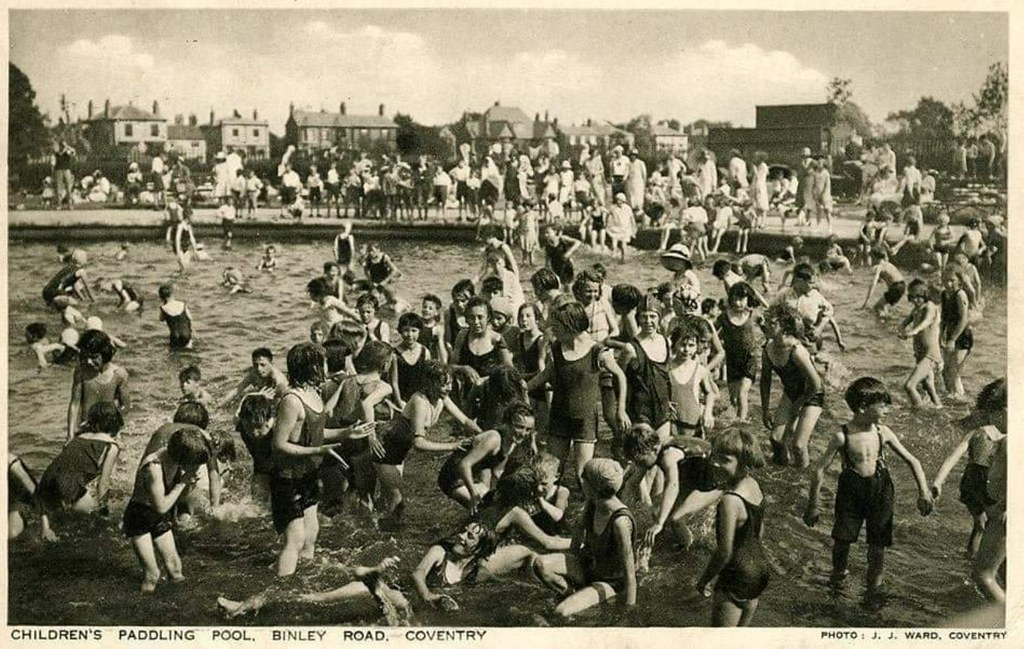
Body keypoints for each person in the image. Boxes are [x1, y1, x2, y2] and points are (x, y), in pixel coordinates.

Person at [804, 377, 933, 605]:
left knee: (877, 546)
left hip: (881, 490)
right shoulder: (842, 435)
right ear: (863, 408)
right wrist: (813, 504)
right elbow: (819, 470)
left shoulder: (883, 432)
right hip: (851, 492)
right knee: (842, 541)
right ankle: (838, 578)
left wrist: (923, 492)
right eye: (882, 404)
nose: (887, 408)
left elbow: (913, 461)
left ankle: (874, 588)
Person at [527, 302, 629, 485]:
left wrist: (620, 410)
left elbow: (620, 375)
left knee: (583, 475)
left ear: (570, 326)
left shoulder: (597, 351)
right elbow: (545, 375)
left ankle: (587, 510)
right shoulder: (558, 349)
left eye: (557, 326)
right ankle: (553, 509)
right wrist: (523, 388)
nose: (553, 330)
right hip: (559, 416)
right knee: (550, 471)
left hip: (584, 420)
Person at [370, 361, 478, 523]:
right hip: (386, 455)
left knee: (385, 503)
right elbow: (419, 443)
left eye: (449, 383)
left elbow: (464, 420)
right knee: (398, 504)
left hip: (399, 455)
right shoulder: (419, 401)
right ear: (430, 384)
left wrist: (487, 435)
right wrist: (453, 445)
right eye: (443, 385)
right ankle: (387, 536)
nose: (448, 388)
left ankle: (372, 526)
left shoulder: (442, 398)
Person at [270, 344, 343, 577]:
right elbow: (279, 444)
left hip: (308, 473)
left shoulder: (315, 393)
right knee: (296, 538)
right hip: (287, 477)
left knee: (311, 534)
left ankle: (304, 580)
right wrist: (318, 451)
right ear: (308, 367)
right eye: (320, 363)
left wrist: (348, 432)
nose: (324, 367)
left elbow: (316, 434)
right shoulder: (291, 400)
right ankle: (282, 588)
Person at [531, 458, 637, 618]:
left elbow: (629, 573)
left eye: (584, 479)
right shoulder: (592, 503)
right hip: (587, 566)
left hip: (610, 581)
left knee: (561, 612)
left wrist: (629, 611)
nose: (582, 483)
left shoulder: (620, 521)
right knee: (540, 564)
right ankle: (571, 593)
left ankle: (579, 601)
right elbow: (578, 534)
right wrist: (570, 568)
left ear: (593, 487)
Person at [694, 428, 769, 626]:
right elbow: (759, 532)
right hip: (759, 572)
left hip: (737, 576)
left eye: (725, 460)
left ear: (744, 465)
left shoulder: (730, 500)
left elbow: (724, 551)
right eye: (714, 456)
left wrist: (703, 581)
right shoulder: (754, 485)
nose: (716, 463)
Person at [123, 424, 210, 592]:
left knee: (176, 568)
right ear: (182, 458)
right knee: (152, 574)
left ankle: (179, 608)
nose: (195, 468)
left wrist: (189, 485)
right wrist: (183, 481)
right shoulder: (154, 467)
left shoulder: (175, 459)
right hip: (139, 516)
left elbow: (178, 499)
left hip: (158, 516)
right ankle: (140, 611)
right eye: (193, 464)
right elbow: (161, 506)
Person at [931, 378, 1005, 559]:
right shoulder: (980, 433)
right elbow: (953, 457)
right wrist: (938, 482)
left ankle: (975, 562)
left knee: (981, 525)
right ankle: (982, 566)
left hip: (983, 483)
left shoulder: (1006, 436)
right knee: (986, 525)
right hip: (979, 484)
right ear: (994, 413)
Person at [218, 556, 410, 624]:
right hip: (396, 594)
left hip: (393, 593)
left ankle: (243, 607)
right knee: (315, 598)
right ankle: (242, 607)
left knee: (315, 598)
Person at [621, 424, 718, 554]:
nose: (638, 465)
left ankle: (690, 554)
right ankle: (683, 545)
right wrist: (620, 513)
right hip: (694, 475)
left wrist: (659, 523)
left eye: (640, 461)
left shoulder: (668, 455)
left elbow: (673, 485)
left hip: (716, 482)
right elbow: (632, 484)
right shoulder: (651, 450)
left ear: (654, 449)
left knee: (675, 519)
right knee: (660, 513)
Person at [36, 402, 122, 541]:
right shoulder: (111, 446)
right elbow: (103, 483)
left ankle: (46, 528)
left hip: (47, 479)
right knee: (95, 520)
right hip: (68, 484)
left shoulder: (79, 437)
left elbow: (64, 468)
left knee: (63, 514)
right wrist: (104, 510)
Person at [413, 520, 535, 612]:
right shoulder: (439, 552)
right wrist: (427, 595)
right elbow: (418, 573)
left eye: (470, 536)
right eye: (464, 531)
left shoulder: (477, 573)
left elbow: (505, 585)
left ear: (478, 550)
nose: (461, 536)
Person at [437, 401, 536, 511]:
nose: (523, 433)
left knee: (500, 506)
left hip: (472, 476)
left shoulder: (511, 442)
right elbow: (464, 464)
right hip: (454, 477)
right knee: (486, 508)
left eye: (528, 429)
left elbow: (498, 472)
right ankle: (473, 525)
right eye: (519, 427)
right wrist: (473, 493)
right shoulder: (494, 438)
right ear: (507, 423)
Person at [759, 303, 822, 468]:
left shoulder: (797, 351)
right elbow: (765, 380)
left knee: (798, 445)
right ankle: (783, 470)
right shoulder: (768, 349)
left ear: (785, 326)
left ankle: (802, 477)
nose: (766, 325)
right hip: (792, 392)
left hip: (812, 395)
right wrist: (765, 410)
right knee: (776, 439)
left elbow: (816, 384)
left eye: (771, 323)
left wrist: (798, 405)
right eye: (766, 321)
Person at [66, 330, 129, 441]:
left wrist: (114, 426)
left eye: (94, 357)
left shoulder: (119, 374)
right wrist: (70, 434)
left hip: (109, 431)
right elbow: (75, 404)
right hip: (86, 428)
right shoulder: (81, 372)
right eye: (85, 357)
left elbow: (125, 406)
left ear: (105, 353)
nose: (89, 361)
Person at [717, 283, 764, 422]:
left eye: (742, 299)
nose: (738, 303)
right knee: (733, 397)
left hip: (749, 360)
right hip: (732, 360)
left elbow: (769, 332)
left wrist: (764, 344)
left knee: (743, 393)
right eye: (735, 299)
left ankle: (742, 422)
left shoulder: (754, 315)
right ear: (730, 299)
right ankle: (731, 421)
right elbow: (711, 333)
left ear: (748, 299)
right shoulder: (724, 318)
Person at [897, 280, 943, 409]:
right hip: (920, 353)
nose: (915, 300)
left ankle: (919, 411)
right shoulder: (915, 310)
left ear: (925, 294)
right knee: (929, 386)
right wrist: (901, 332)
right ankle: (939, 409)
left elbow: (926, 322)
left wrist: (913, 331)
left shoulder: (930, 306)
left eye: (918, 296)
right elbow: (902, 324)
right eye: (912, 297)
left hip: (930, 354)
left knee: (909, 386)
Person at [667, 318, 717, 436]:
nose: (686, 349)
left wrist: (708, 412)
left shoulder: (700, 370)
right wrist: (665, 404)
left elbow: (710, 393)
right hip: (672, 421)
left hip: (693, 422)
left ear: (696, 347)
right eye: (682, 345)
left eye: (691, 345)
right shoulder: (667, 368)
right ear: (675, 344)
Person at [217, 347, 289, 409]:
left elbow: (283, 402)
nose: (259, 369)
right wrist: (220, 405)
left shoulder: (278, 381)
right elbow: (237, 389)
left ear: (271, 364)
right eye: (255, 365)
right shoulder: (254, 374)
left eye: (262, 365)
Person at [236, 394, 276, 505]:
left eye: (259, 427)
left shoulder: (277, 430)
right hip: (261, 467)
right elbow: (237, 416)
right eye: (249, 426)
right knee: (257, 506)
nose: (254, 432)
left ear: (269, 421)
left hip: (281, 469)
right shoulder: (241, 425)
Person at [939, 269, 972, 399]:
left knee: (954, 371)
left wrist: (952, 339)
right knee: (945, 371)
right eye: (945, 280)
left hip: (963, 336)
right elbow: (943, 318)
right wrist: (941, 335)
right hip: (950, 334)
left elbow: (964, 319)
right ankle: (950, 396)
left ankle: (960, 399)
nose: (948, 284)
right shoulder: (944, 294)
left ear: (959, 281)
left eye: (952, 280)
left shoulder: (960, 295)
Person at [390, 312, 432, 409]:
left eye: (414, 331)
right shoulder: (395, 354)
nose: (409, 335)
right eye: (406, 330)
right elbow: (394, 382)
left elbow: (427, 379)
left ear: (419, 331)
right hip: (402, 398)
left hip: (420, 397)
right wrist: (400, 402)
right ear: (400, 331)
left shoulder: (425, 352)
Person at [862, 246, 905, 318]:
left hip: (895, 288)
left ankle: (882, 324)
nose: (871, 260)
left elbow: (873, 284)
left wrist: (866, 301)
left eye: (871, 257)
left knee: (876, 308)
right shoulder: (888, 264)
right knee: (882, 306)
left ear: (874, 257)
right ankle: (887, 319)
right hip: (902, 286)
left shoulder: (879, 267)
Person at [8, 455, 37, 540]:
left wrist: (45, 525)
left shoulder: (12, 463)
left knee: (12, 533)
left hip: (23, 503)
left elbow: (35, 493)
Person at [158, 283, 194, 350]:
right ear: (172, 294)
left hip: (174, 336)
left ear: (161, 297)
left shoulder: (163, 308)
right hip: (186, 334)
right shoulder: (182, 304)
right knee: (188, 352)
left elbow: (161, 319)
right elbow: (190, 317)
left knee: (174, 355)